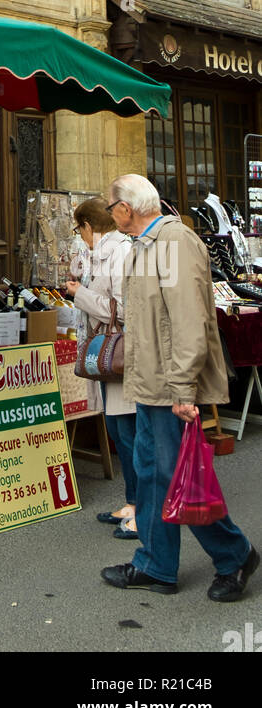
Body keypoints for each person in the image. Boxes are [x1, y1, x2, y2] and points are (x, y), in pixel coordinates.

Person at [99, 173, 257, 601]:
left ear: (126, 208)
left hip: (171, 386)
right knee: (153, 474)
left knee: (175, 475)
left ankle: (234, 553)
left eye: (111, 206)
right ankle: (156, 565)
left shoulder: (173, 243)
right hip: (152, 383)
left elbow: (189, 321)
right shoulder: (148, 244)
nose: (110, 214)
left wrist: (184, 389)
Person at [66, 198, 136, 538]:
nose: (81, 236)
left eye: (80, 230)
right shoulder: (101, 253)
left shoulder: (120, 252)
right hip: (107, 357)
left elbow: (123, 309)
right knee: (119, 431)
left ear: (89, 227)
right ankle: (134, 501)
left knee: (128, 434)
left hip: (120, 355)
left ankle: (141, 509)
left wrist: (81, 294)